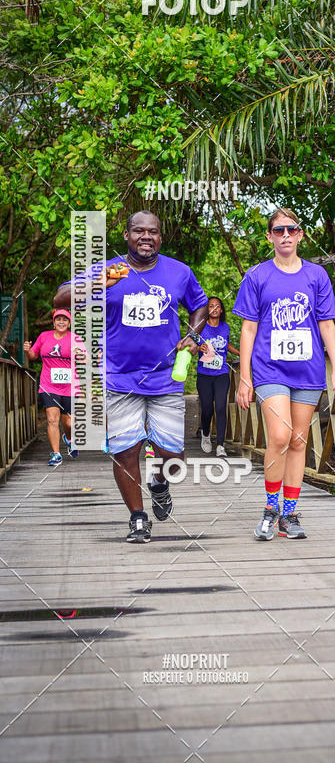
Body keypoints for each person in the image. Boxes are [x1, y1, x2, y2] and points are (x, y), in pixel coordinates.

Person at [54, 210, 208, 543]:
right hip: (120, 378)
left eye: (153, 231)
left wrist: (193, 336)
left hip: (166, 378)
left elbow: (201, 305)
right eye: (139, 231)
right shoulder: (108, 270)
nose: (146, 237)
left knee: (173, 458)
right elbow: (61, 298)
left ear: (160, 237)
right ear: (127, 235)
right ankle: (138, 518)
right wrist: (100, 282)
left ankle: (160, 483)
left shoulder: (179, 272)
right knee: (126, 451)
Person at [233, 208, 335, 540]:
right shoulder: (257, 276)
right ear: (269, 236)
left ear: (300, 235)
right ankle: (270, 509)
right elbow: (248, 329)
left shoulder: (316, 275)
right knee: (280, 437)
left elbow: (327, 324)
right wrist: (245, 377)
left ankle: (290, 514)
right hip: (270, 369)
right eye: (279, 230)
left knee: (298, 440)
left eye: (292, 229)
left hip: (308, 369)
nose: (285, 235)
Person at [24, 308, 86, 466]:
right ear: (53, 322)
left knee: (69, 423)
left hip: (70, 386)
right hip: (48, 385)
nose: (61, 322)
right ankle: (56, 454)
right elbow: (33, 356)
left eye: (65, 320)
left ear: (69, 323)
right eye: (58, 319)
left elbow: (86, 360)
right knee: (52, 419)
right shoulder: (44, 336)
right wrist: (28, 351)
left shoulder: (75, 338)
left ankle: (69, 438)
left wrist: (79, 353)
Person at [196, 296, 240, 457]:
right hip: (204, 374)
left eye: (217, 306)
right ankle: (206, 434)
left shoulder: (225, 327)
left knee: (221, 407)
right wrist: (199, 347)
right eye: (211, 306)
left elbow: (226, 344)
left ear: (221, 310)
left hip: (221, 373)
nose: (214, 308)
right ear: (207, 310)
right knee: (207, 408)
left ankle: (220, 445)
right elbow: (192, 345)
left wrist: (240, 353)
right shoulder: (200, 327)